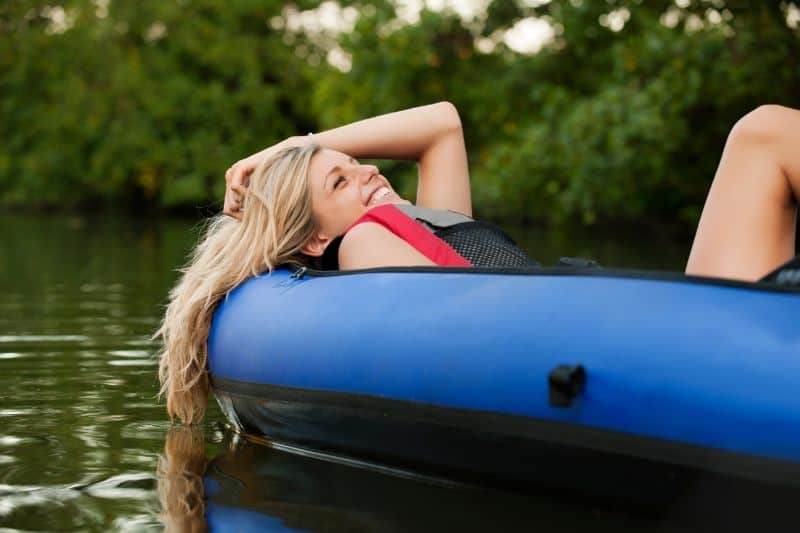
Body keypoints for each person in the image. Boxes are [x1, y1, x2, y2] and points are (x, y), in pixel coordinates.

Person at [157, 102, 799, 424]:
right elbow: (473, 333)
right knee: (766, 131)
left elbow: (442, 124)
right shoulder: (364, 242)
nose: (368, 172)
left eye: (356, 165)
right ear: (315, 240)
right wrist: (306, 160)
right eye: (340, 184)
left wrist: (302, 144)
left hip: (663, 321)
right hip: (651, 342)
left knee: (763, 131)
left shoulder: (422, 223)